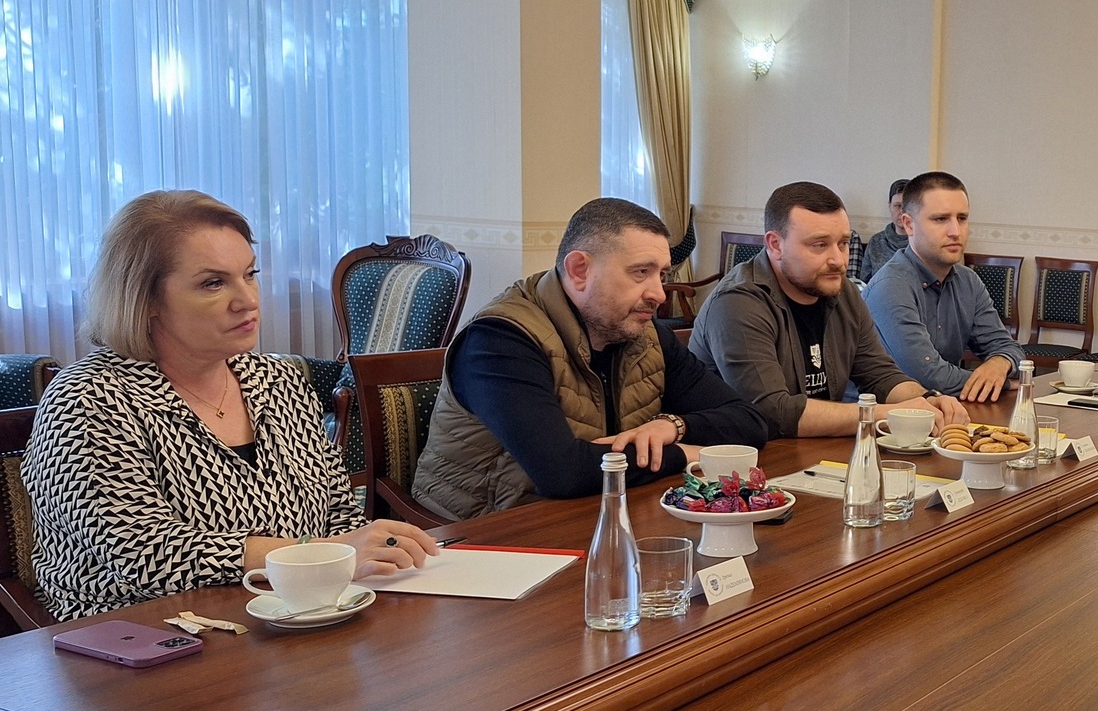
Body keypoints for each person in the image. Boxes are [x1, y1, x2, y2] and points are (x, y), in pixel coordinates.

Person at [23, 191, 437, 621]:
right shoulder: (89, 398)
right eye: (213, 283)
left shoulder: (277, 380)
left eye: (249, 274)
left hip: (297, 615)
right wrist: (316, 553)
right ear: (145, 299)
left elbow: (337, 513)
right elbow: (146, 555)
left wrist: (375, 552)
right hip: (140, 636)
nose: (248, 300)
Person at [411, 199, 770, 521]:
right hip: (482, 533)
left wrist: (672, 428)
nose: (659, 294)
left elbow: (750, 422)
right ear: (579, 270)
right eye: (640, 272)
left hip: (597, 513)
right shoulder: (499, 341)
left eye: (662, 274)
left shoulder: (645, 334)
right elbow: (562, 472)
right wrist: (687, 453)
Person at [690, 181, 971, 438]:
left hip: (814, 450)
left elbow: (880, 375)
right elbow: (773, 413)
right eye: (820, 245)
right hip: (734, 459)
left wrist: (928, 400)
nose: (838, 260)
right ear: (775, 245)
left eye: (843, 243)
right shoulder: (738, 302)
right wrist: (885, 413)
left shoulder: (842, 291)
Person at [865, 172, 1026, 404]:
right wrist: (1005, 384)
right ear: (908, 224)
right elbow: (929, 376)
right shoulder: (890, 286)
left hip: (945, 410)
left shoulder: (968, 281)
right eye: (940, 219)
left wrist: (1000, 363)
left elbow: (1008, 348)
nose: (955, 231)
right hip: (885, 417)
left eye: (962, 218)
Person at [856, 179, 911, 283]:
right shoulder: (876, 242)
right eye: (898, 206)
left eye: (906, 206)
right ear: (889, 206)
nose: (902, 212)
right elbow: (864, 282)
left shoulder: (924, 242)